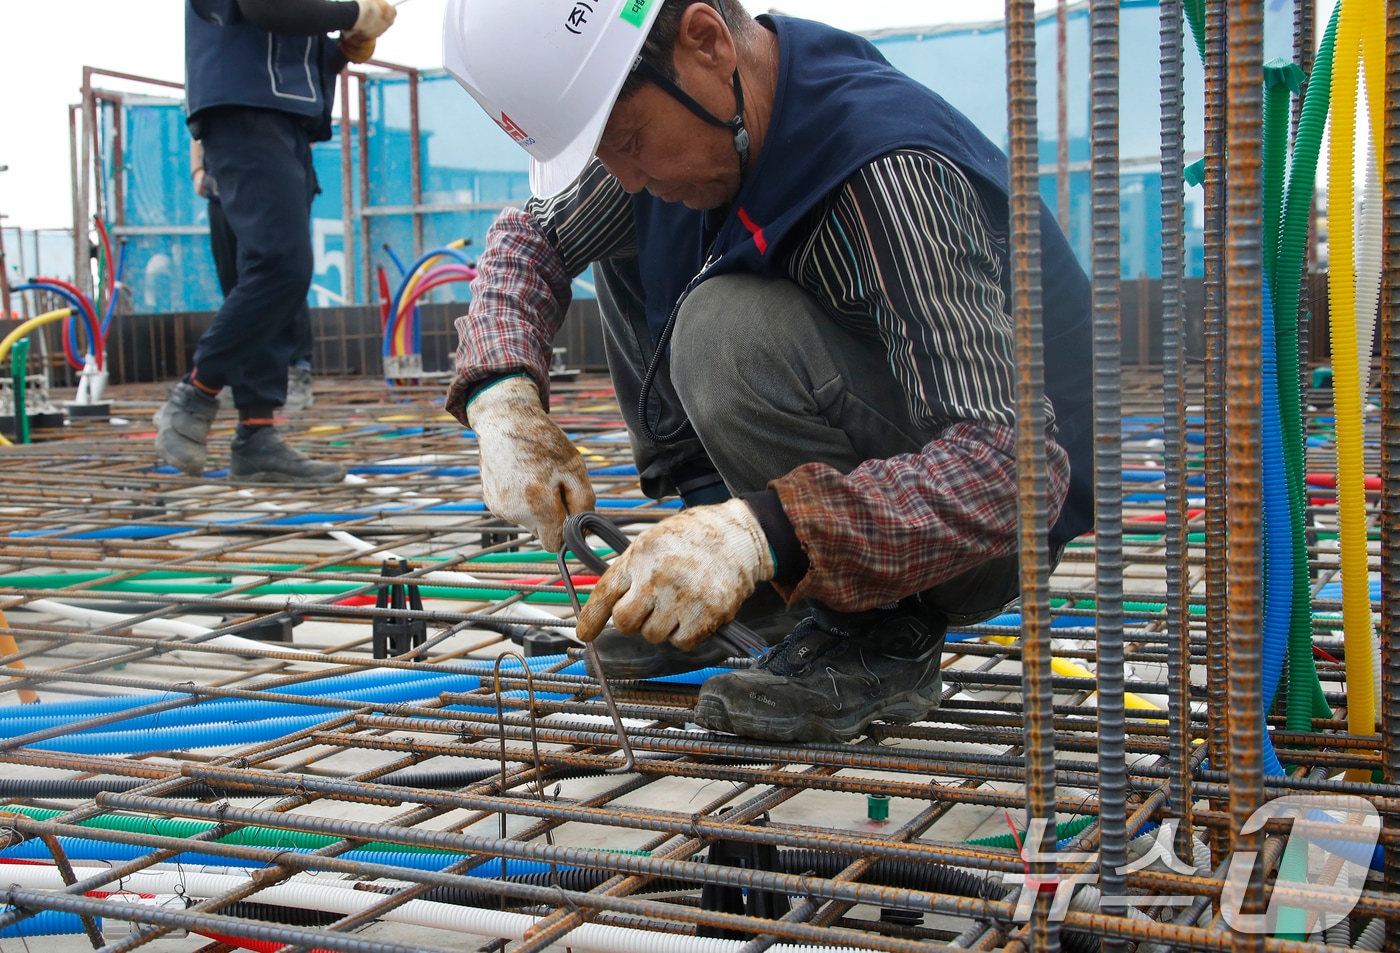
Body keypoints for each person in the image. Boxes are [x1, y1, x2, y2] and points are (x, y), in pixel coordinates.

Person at [442, 0, 1095, 743]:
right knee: (632, 229)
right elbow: (533, 236)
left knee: (723, 328)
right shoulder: (711, 117)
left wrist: (757, 533)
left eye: (628, 140)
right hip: (875, 459)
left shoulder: (883, 171)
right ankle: (769, 584)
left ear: (707, 41)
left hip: (987, 533)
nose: (624, 175)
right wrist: (503, 398)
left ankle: (881, 628)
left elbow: (1016, 470)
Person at [158, 0, 396, 482]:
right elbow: (268, 8)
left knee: (273, 276)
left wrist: (342, 49)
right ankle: (197, 393)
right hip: (245, 110)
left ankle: (257, 435)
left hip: (279, 117)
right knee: (279, 266)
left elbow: (296, 46)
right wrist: (351, 13)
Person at [190, 140, 317, 414]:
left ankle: (297, 371)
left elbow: (307, 120)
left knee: (283, 274)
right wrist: (198, 172)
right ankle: (242, 380)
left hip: (273, 182)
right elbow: (197, 121)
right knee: (236, 283)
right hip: (222, 186)